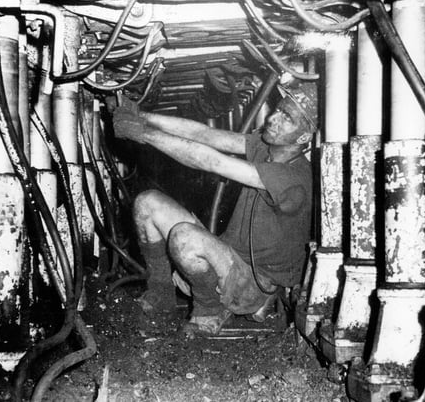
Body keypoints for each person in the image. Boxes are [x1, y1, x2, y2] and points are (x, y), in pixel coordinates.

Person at [111, 80, 318, 337]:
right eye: (278, 109)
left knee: (184, 237)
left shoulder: (293, 177)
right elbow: (205, 135)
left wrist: (144, 134)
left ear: (303, 137)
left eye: (287, 118)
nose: (274, 118)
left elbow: (212, 161)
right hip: (229, 257)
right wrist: (141, 116)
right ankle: (161, 291)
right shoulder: (266, 148)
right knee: (147, 204)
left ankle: (209, 309)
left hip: (255, 281)